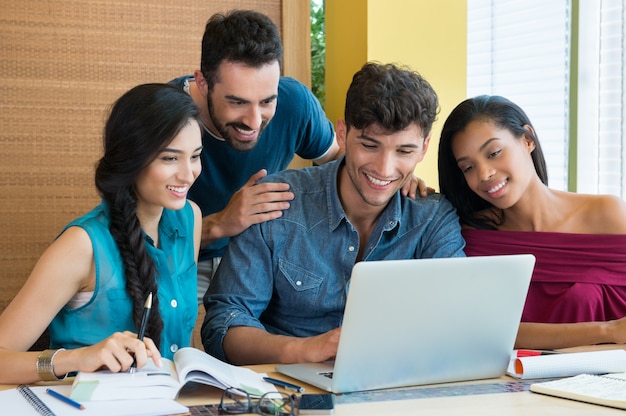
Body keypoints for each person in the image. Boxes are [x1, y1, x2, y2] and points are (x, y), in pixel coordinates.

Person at [202, 62, 466, 365]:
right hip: (288, 387)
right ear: (342, 134)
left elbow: (455, 320)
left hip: (395, 387)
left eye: (404, 151)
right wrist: (304, 350)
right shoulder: (275, 201)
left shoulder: (432, 218)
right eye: (369, 145)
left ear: (423, 148)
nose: (384, 169)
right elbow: (224, 325)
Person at [170, 10, 427, 304]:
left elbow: (339, 158)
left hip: (263, 256)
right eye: (237, 102)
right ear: (202, 83)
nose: (254, 121)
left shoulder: (294, 103)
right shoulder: (162, 121)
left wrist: (394, 173)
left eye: (267, 101)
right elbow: (137, 237)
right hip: (185, 258)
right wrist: (219, 224)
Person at [0, 83, 203, 384]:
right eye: (170, 158)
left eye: (195, 156)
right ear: (132, 160)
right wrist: (76, 358)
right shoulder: (81, 245)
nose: (188, 174)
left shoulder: (190, 218)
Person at [438, 94, 626, 350]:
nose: (485, 174)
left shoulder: (608, 216)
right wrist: (608, 330)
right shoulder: (465, 236)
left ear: (527, 139)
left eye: (494, 153)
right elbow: (481, 332)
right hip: (507, 387)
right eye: (468, 167)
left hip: (600, 386)